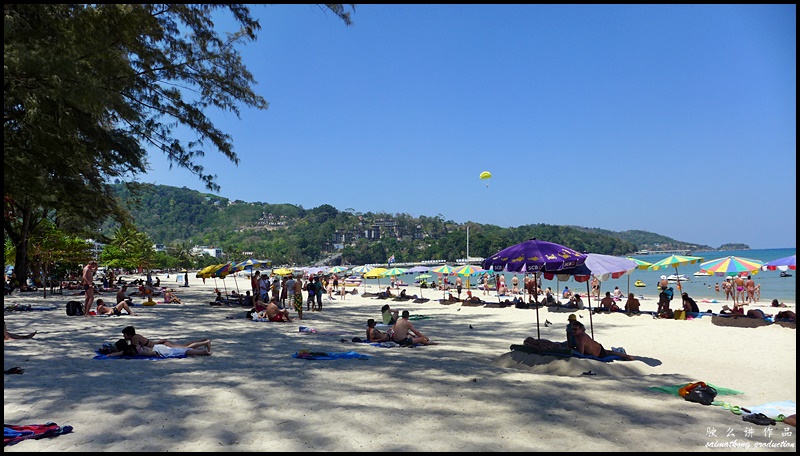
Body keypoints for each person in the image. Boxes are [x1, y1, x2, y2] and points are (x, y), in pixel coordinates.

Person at [121, 326, 209, 351]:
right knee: (183, 346)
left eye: (124, 334)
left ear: (129, 334)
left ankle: (205, 342)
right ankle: (202, 341)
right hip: (160, 344)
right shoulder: (137, 336)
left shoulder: (135, 338)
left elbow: (134, 349)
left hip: (161, 345)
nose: (123, 336)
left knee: (185, 348)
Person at [108, 338, 211, 357]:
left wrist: (109, 355)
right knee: (183, 349)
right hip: (158, 347)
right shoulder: (134, 345)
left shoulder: (127, 351)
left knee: (184, 351)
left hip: (160, 351)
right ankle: (203, 345)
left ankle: (204, 349)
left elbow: (116, 354)